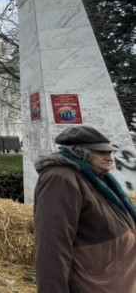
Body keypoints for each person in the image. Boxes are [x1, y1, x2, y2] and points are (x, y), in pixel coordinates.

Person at [34, 125, 136, 292]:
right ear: (79, 152)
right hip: (92, 285)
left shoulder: (94, 176)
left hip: (112, 282)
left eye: (110, 152)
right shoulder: (60, 179)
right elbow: (52, 245)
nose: (110, 157)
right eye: (101, 152)